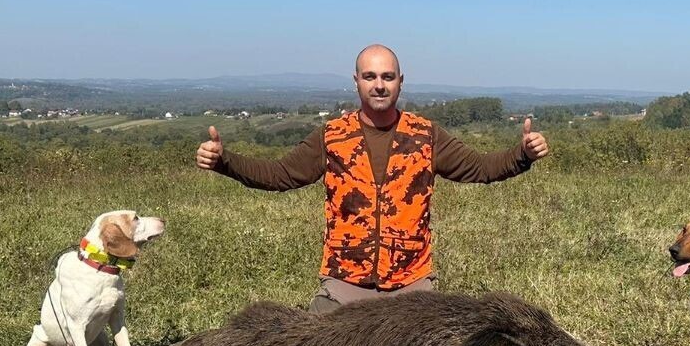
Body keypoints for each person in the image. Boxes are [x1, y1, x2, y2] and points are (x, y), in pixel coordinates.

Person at [195, 44, 550, 312]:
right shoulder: (332, 136)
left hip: (412, 284)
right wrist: (224, 161)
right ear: (356, 82)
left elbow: (480, 167)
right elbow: (280, 175)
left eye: (387, 77)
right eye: (370, 77)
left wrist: (522, 155)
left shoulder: (424, 135)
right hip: (344, 282)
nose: (378, 85)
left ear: (400, 82)